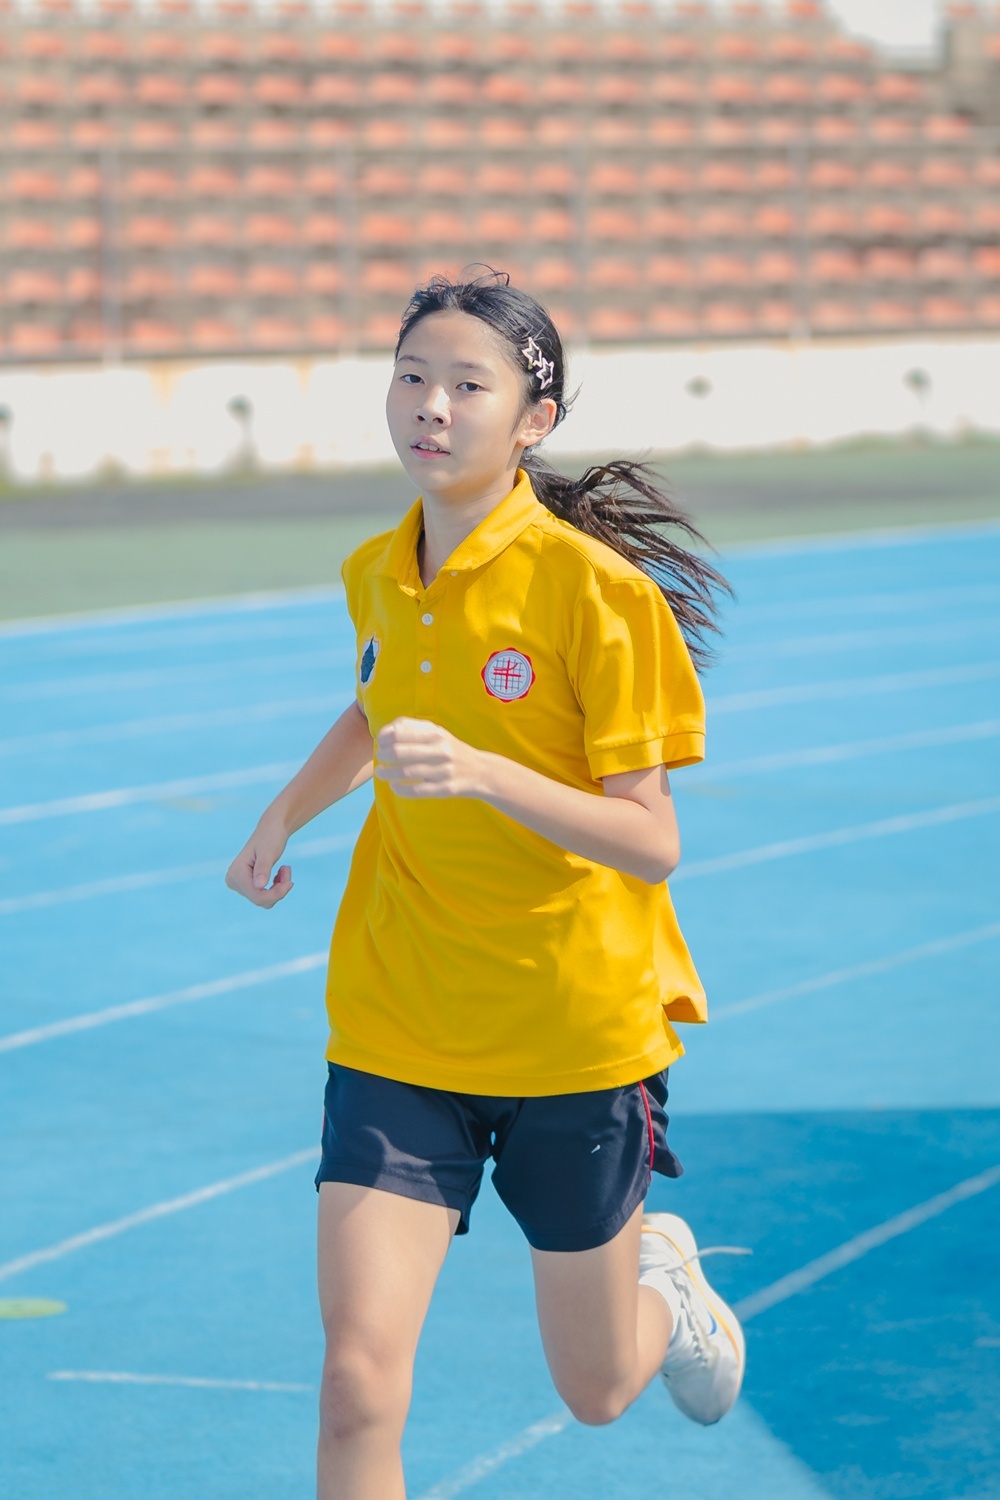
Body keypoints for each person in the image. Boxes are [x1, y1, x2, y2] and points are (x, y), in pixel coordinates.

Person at [226, 269, 742, 1500]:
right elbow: (379, 703)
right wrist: (283, 811)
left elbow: (651, 840)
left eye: (468, 385)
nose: (432, 406)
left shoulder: (597, 596)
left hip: (572, 1032)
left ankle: (665, 1288)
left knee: (596, 1390)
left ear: (533, 420)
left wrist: (485, 774)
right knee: (356, 1384)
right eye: (412, 377)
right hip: (401, 1020)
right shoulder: (375, 569)